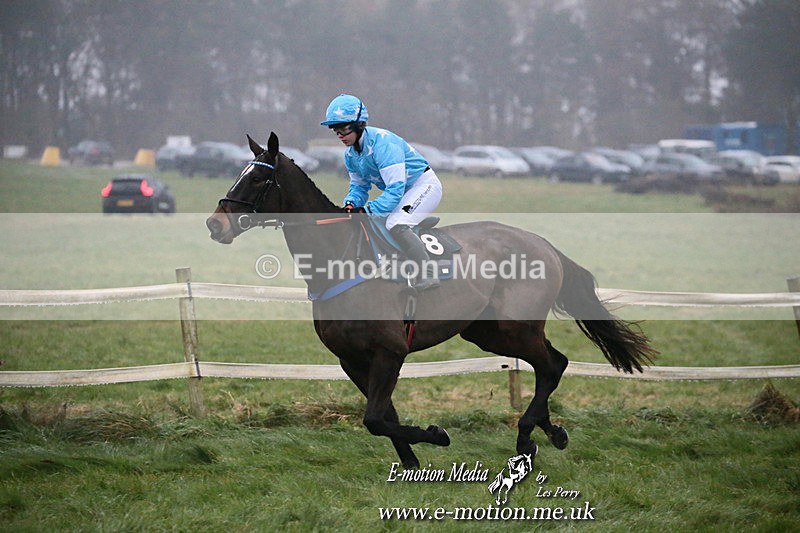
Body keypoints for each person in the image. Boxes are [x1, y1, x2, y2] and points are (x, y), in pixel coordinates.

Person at [321, 94, 442, 290]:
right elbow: (359, 187)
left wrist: (367, 210)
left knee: (395, 222)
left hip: (423, 186)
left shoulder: (383, 144)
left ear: (359, 124)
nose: (340, 135)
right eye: (336, 131)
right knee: (372, 221)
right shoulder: (350, 154)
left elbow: (395, 190)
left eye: (343, 128)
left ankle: (428, 273)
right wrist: (351, 204)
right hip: (403, 193)